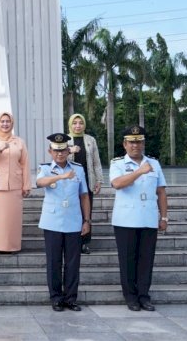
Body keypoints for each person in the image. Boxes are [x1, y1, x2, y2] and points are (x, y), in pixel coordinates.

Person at [109, 124, 168, 311]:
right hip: (126, 220)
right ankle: (130, 297)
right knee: (127, 260)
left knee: (146, 260)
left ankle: (144, 295)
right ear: (125, 144)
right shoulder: (117, 163)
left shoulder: (154, 164)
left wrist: (164, 217)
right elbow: (117, 184)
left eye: (139, 142)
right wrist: (138, 172)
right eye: (132, 142)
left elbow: (161, 191)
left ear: (143, 143)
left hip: (148, 218)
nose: (136, 145)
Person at [37, 133, 91, 311]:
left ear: (68, 151)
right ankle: (56, 298)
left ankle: (70, 298)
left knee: (73, 262)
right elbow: (39, 182)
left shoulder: (78, 169)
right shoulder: (45, 168)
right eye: (56, 151)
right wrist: (60, 177)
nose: (59, 154)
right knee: (54, 262)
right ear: (50, 151)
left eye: (63, 150)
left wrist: (87, 220)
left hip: (73, 220)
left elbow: (84, 195)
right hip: (52, 221)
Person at [0, 112, 31, 253]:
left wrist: (26, 185)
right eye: (2, 121)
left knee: (12, 219)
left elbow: (25, 163)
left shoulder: (19, 141)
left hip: (15, 185)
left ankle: (12, 246)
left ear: (12, 123)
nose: (5, 124)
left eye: (8, 121)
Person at [66, 114, 104, 255]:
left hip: (87, 180)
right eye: (74, 123)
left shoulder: (90, 140)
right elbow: (58, 156)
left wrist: (99, 180)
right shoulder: (65, 139)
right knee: (72, 211)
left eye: (80, 123)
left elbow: (96, 162)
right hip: (70, 181)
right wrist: (69, 150)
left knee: (86, 212)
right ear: (70, 124)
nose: (77, 126)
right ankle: (73, 242)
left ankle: (84, 243)